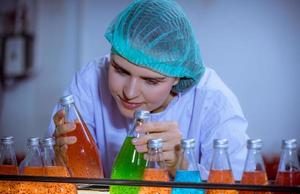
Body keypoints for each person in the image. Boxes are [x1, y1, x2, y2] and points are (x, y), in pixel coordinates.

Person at [47, 0, 249, 180]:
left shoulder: (213, 101)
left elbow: (236, 191)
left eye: (151, 81)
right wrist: (58, 162)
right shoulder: (89, 83)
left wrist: (182, 166)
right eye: (119, 70)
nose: (130, 92)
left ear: (178, 76)